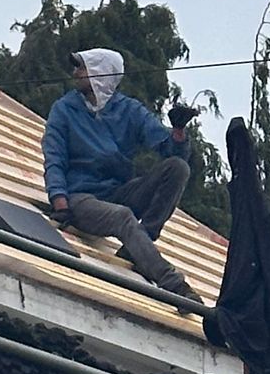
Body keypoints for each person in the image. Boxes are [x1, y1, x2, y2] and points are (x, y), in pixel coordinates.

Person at [42, 49, 197, 298]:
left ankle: (140, 241)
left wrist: (178, 131)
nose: (76, 73)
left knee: (178, 168)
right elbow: (54, 156)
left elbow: (170, 150)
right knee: (123, 217)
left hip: (118, 192)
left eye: (82, 68)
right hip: (82, 198)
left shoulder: (128, 110)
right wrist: (59, 200)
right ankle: (173, 284)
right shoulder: (65, 109)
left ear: (99, 74)